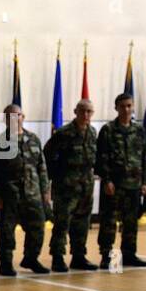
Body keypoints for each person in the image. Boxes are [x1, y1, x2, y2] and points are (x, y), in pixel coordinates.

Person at [0, 104, 51, 275]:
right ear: (5, 120)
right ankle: (6, 263)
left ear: (23, 117)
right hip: (9, 196)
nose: (15, 119)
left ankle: (31, 258)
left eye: (18, 115)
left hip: (33, 194)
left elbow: (42, 168)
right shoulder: (0, 143)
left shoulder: (34, 139)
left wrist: (45, 191)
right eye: (10, 116)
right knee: (7, 232)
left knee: (37, 228)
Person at [95, 93, 146, 268]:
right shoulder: (108, 130)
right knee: (109, 222)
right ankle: (108, 257)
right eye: (123, 106)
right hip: (114, 185)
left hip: (134, 185)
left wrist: (144, 182)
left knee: (131, 222)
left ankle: (129, 254)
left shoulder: (139, 130)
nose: (126, 109)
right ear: (116, 108)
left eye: (129, 106)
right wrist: (107, 180)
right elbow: (101, 158)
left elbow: (144, 158)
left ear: (133, 107)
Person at [44, 99, 100, 272]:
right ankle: (57, 257)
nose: (86, 115)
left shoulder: (92, 133)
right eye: (82, 111)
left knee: (82, 223)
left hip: (86, 187)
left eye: (89, 112)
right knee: (62, 223)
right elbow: (48, 157)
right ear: (75, 112)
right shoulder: (63, 133)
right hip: (66, 188)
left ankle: (78, 256)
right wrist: (51, 183)